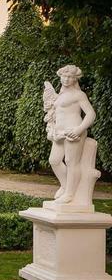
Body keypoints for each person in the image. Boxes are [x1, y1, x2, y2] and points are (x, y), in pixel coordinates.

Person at [44, 65, 96, 204]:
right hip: (59, 133)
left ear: (75, 79)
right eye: (64, 76)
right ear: (60, 77)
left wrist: (79, 129)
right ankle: (66, 186)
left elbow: (91, 114)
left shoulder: (79, 95)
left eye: (70, 77)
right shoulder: (61, 94)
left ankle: (70, 194)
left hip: (73, 131)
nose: (66, 79)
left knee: (71, 162)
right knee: (54, 161)